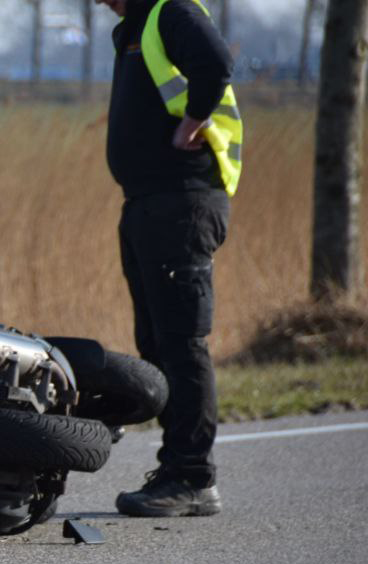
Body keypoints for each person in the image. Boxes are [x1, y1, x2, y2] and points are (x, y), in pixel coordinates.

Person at [97, 0, 242, 517]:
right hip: (147, 203)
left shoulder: (171, 11)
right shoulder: (134, 28)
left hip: (183, 202)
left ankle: (192, 476)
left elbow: (216, 62)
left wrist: (194, 121)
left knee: (181, 342)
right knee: (156, 341)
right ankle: (175, 467)